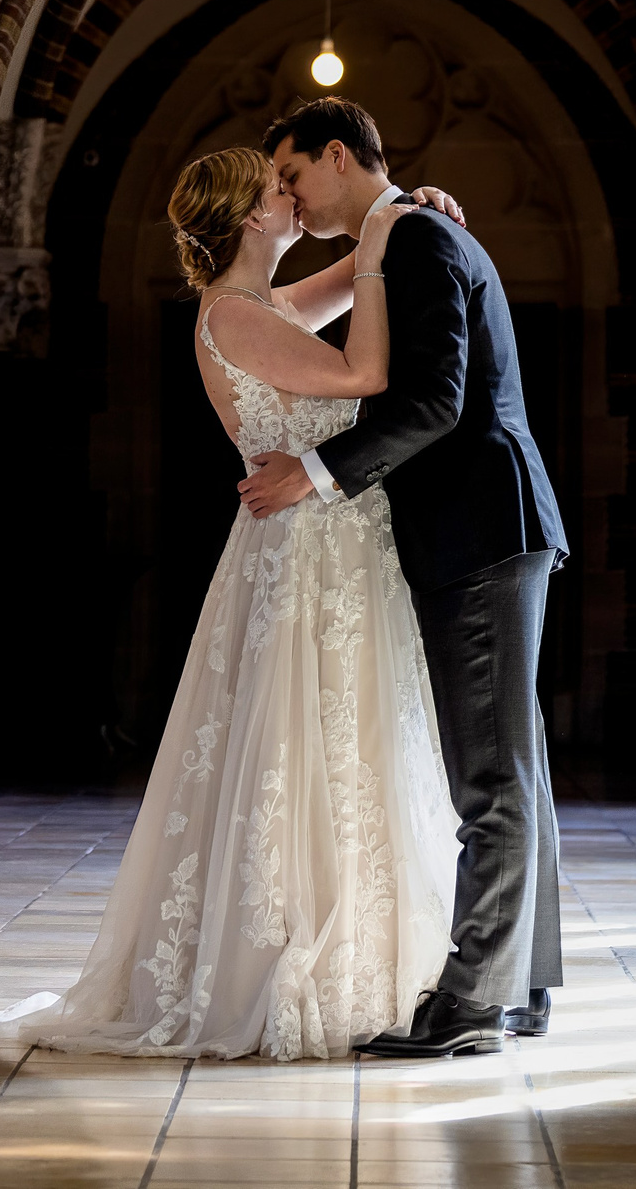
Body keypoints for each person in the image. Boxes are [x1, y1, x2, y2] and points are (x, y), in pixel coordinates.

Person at [0, 146, 464, 1060]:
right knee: (299, 744)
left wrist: (400, 214)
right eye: (280, 190)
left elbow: (356, 277)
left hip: (335, 547)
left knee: (347, 742)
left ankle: (367, 949)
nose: (295, 196)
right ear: (249, 217)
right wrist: (388, 232)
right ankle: (281, 961)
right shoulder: (235, 316)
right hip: (306, 553)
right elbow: (363, 377)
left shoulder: (265, 304)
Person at [238, 96, 568, 1059]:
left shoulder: (418, 241)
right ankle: (522, 986)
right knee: (516, 765)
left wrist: (315, 473)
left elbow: (434, 400)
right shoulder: (405, 233)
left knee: (492, 774)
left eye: (295, 175)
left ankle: (470, 1003)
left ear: (338, 156)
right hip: (491, 525)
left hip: (481, 527)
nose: (293, 201)